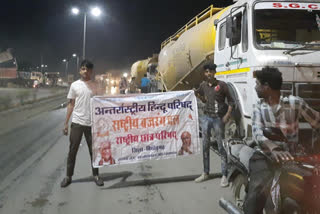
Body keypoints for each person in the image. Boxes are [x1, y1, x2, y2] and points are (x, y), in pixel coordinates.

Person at [244, 67, 320, 214]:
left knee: (310, 188)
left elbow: (317, 121)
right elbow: (257, 134)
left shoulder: (295, 103)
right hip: (264, 156)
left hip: (291, 157)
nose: (255, 87)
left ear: (266, 87)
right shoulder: (258, 107)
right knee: (257, 191)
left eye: (257, 84)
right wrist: (272, 147)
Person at [60, 60, 104, 188]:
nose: (86, 71)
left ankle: (96, 175)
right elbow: (70, 104)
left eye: (88, 69)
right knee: (72, 151)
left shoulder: (96, 86)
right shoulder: (74, 85)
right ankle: (68, 176)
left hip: (92, 124)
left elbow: (100, 104)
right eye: (83, 69)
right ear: (80, 70)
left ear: (91, 71)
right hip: (77, 123)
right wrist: (66, 123)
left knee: (93, 152)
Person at [194, 63, 234, 187]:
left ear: (214, 72)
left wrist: (227, 115)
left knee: (221, 146)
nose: (208, 74)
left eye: (210, 71)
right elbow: (201, 96)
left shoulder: (222, 85)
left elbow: (232, 102)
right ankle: (206, 173)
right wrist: (199, 96)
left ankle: (224, 175)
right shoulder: (203, 85)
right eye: (206, 72)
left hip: (218, 119)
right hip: (206, 118)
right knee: (205, 146)